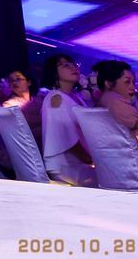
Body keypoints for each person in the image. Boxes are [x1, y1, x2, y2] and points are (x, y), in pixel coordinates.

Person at [40, 54, 96, 186]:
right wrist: (91, 159)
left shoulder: (75, 97)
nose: (73, 67)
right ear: (54, 72)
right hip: (67, 166)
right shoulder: (56, 99)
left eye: (73, 64)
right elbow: (65, 136)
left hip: (80, 162)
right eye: (65, 65)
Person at [95, 60, 138, 172]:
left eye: (133, 82)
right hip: (135, 167)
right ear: (109, 84)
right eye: (127, 82)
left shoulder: (105, 100)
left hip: (119, 166)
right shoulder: (114, 100)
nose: (132, 87)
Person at [1, 70, 43, 148]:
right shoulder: (9, 105)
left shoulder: (38, 101)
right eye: (11, 80)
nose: (14, 82)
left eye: (18, 79)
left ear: (29, 82)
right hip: (29, 147)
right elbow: (18, 132)